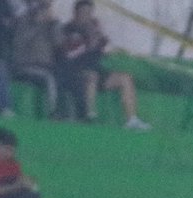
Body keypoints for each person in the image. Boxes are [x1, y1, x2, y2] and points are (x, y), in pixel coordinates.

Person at [56, 0, 150, 129]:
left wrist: (114, 48)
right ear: (75, 12)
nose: (86, 15)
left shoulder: (94, 29)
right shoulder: (67, 29)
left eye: (89, 12)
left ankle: (132, 119)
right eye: (83, 12)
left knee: (125, 78)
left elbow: (106, 47)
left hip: (98, 72)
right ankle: (90, 116)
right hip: (75, 73)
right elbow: (69, 54)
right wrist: (90, 43)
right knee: (92, 76)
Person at [13, 0, 62, 116]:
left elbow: (58, 44)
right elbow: (19, 43)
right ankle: (53, 112)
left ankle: (68, 114)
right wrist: (37, 24)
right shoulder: (24, 20)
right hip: (25, 66)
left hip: (47, 66)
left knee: (64, 76)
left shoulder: (52, 24)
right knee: (49, 78)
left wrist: (54, 25)